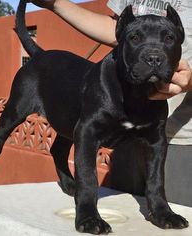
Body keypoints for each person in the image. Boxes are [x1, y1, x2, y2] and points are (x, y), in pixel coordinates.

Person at [30, 0, 192, 206]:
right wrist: (56, 3)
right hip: (124, 135)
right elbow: (119, 31)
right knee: (122, 217)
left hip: (183, 140)